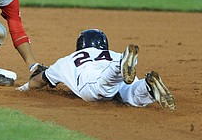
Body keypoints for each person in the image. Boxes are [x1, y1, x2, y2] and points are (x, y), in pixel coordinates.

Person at [16, 29, 176, 111]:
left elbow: (40, 79)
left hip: (93, 79)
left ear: (80, 45)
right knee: (132, 95)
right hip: (119, 65)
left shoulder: (67, 60)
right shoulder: (111, 53)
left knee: (103, 86)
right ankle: (147, 86)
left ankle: (118, 67)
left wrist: (24, 88)